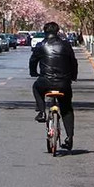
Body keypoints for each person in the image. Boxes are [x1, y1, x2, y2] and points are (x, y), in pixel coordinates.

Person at [30, 21, 78, 150]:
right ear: (57, 32)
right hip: (64, 83)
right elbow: (73, 62)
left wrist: (33, 73)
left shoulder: (41, 46)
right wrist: (73, 76)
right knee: (67, 109)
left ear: (45, 32)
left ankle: (41, 112)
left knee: (36, 87)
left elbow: (33, 61)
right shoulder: (66, 45)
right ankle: (69, 137)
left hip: (45, 82)